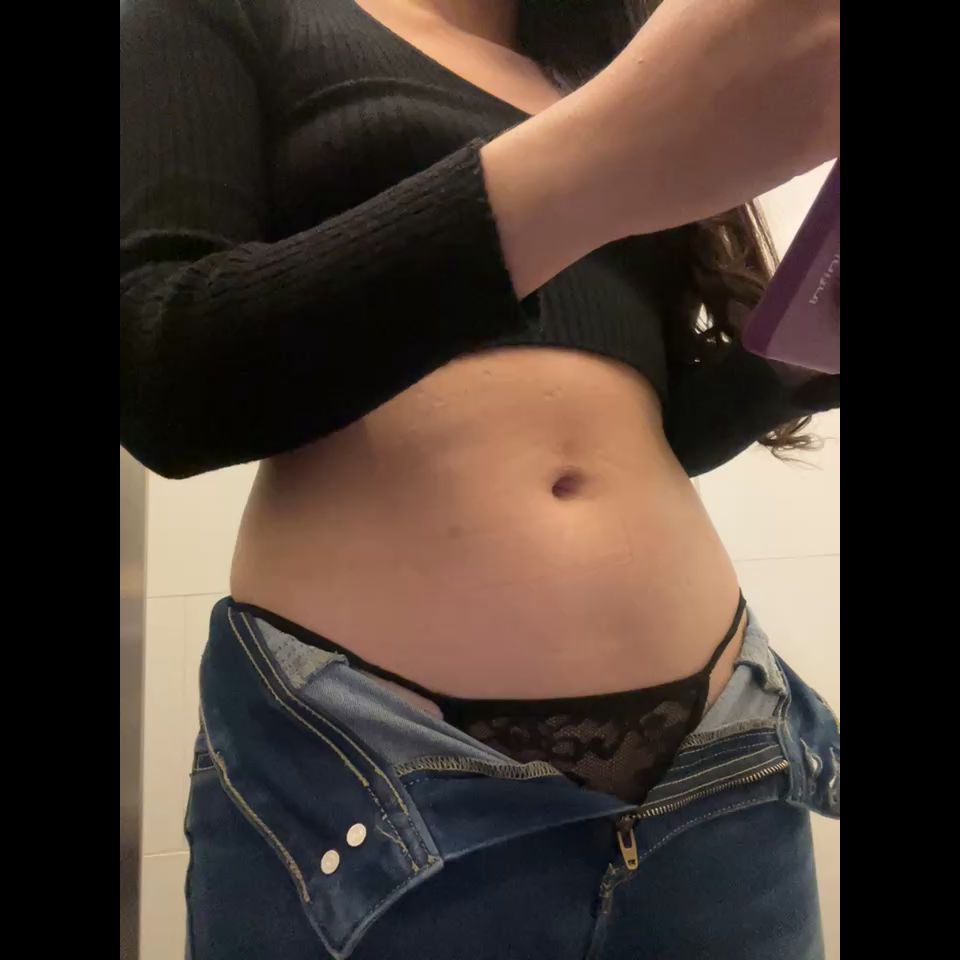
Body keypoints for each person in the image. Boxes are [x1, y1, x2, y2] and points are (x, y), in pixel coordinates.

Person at [120, 1, 841, 957]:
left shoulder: (605, 61)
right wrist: (601, 156)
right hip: (368, 790)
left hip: (722, 767)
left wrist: (800, 348)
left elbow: (647, 436)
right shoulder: (233, 11)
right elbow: (164, 375)